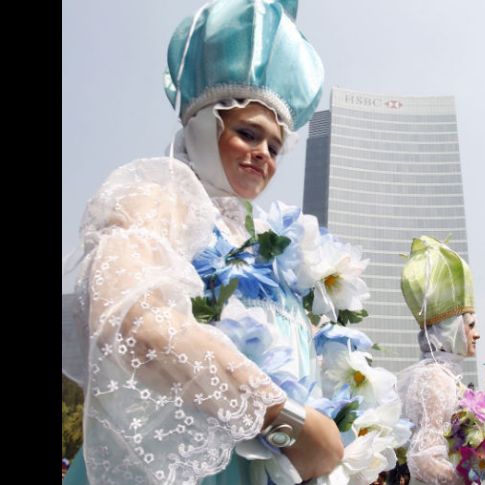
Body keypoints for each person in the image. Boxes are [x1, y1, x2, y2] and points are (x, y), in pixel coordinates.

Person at [60, 1, 383, 483]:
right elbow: (128, 317)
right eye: (248, 133)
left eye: (274, 146)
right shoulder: (158, 193)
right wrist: (283, 419)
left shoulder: (264, 244)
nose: (263, 155)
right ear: (204, 126)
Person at [397, 236, 481, 485]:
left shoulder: (447, 376)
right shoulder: (434, 377)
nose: (477, 334)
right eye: (471, 325)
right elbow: (423, 459)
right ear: (451, 330)